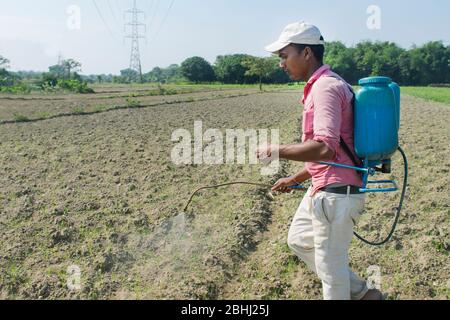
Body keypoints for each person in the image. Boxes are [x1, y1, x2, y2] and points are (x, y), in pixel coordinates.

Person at [256, 22, 383, 300]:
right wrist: (294, 178)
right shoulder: (323, 85)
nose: (281, 63)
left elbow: (324, 148)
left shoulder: (325, 87)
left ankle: (358, 293)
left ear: (306, 53)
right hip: (325, 186)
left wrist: (276, 150)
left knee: (330, 268)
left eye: (284, 55)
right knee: (299, 240)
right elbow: (331, 154)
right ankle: (363, 294)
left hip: (336, 194)